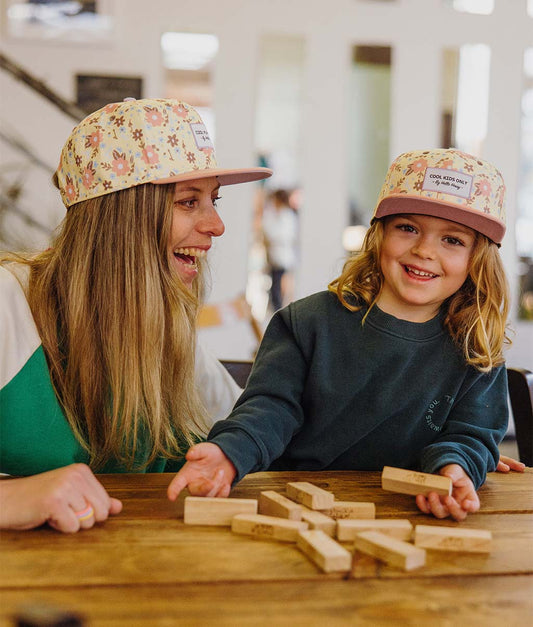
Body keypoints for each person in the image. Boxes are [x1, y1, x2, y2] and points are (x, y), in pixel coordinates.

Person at [168, 148, 525, 521]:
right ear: (379, 234)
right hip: (294, 508)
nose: (423, 250)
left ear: (477, 259)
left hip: (410, 516)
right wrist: (230, 452)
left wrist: (456, 468)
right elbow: (269, 409)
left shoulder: (477, 349)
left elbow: (470, 436)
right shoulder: (306, 322)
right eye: (407, 228)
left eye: (452, 240)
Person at [0, 98, 271, 532]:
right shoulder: (8, 305)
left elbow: (250, 429)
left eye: (213, 200)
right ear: (121, 217)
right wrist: (11, 497)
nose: (217, 225)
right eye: (188, 202)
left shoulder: (169, 329)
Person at [262, 188, 299, 311]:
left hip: (281, 258)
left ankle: (277, 311)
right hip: (275, 258)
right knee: (275, 287)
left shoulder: (286, 216)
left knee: (277, 288)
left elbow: (275, 235)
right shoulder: (278, 215)